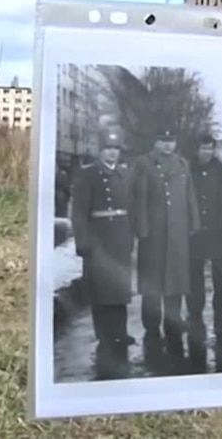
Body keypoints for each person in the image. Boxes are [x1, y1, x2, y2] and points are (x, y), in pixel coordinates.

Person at [70, 131, 135, 366]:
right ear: (100, 151)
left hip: (120, 237)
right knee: (100, 291)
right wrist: (83, 242)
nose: (112, 152)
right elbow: (78, 212)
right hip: (98, 239)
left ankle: (120, 332)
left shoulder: (125, 174)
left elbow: (132, 208)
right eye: (108, 148)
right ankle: (104, 335)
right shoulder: (88, 175)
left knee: (119, 288)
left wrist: (131, 237)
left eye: (115, 148)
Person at [133, 130, 201, 355]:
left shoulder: (182, 164)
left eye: (171, 141)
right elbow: (139, 197)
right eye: (163, 141)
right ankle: (151, 325)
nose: (168, 145)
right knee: (152, 280)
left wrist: (194, 222)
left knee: (176, 279)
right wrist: (142, 228)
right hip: (154, 232)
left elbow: (189, 194)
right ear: (155, 142)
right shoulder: (144, 163)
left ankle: (173, 320)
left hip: (178, 231)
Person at [188, 133, 222, 327]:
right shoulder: (187, 169)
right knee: (194, 272)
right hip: (195, 231)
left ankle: (221, 310)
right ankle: (194, 311)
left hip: (217, 230)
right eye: (203, 148)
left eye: (210, 148)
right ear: (196, 149)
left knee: (220, 273)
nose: (207, 152)